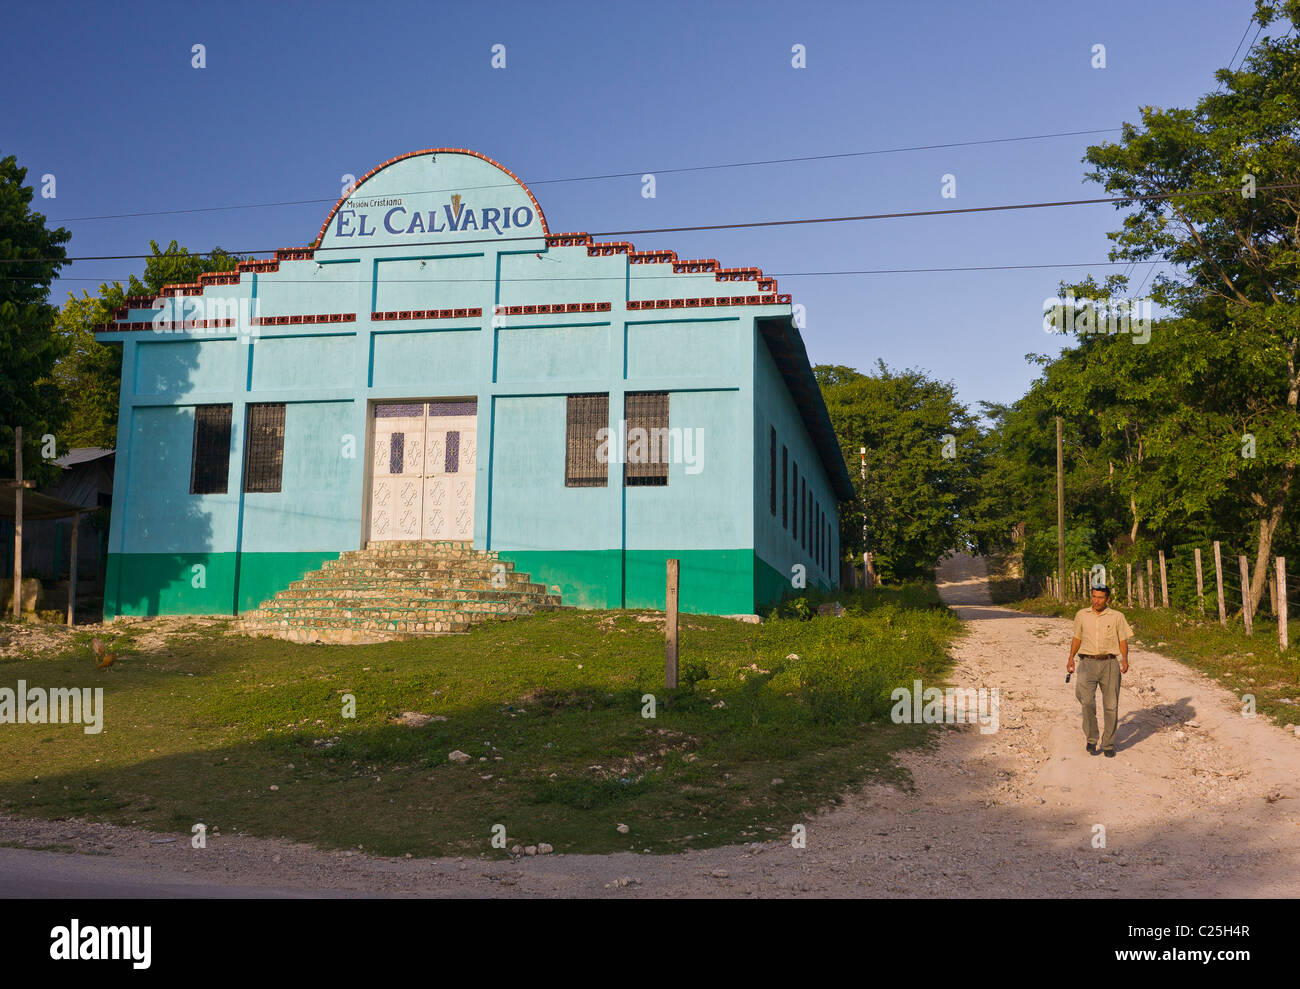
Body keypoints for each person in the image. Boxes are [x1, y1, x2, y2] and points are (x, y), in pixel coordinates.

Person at [1065, 584, 1132, 758]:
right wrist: (1070, 657)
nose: (1096, 600)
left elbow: (1123, 640)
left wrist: (1124, 659)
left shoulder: (1117, 616)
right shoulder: (1081, 615)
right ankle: (1092, 739)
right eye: (1094, 597)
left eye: (1100, 597)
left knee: (1111, 706)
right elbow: (1077, 637)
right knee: (1086, 702)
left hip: (1109, 664)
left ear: (1108, 599)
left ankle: (1108, 743)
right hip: (1087, 663)